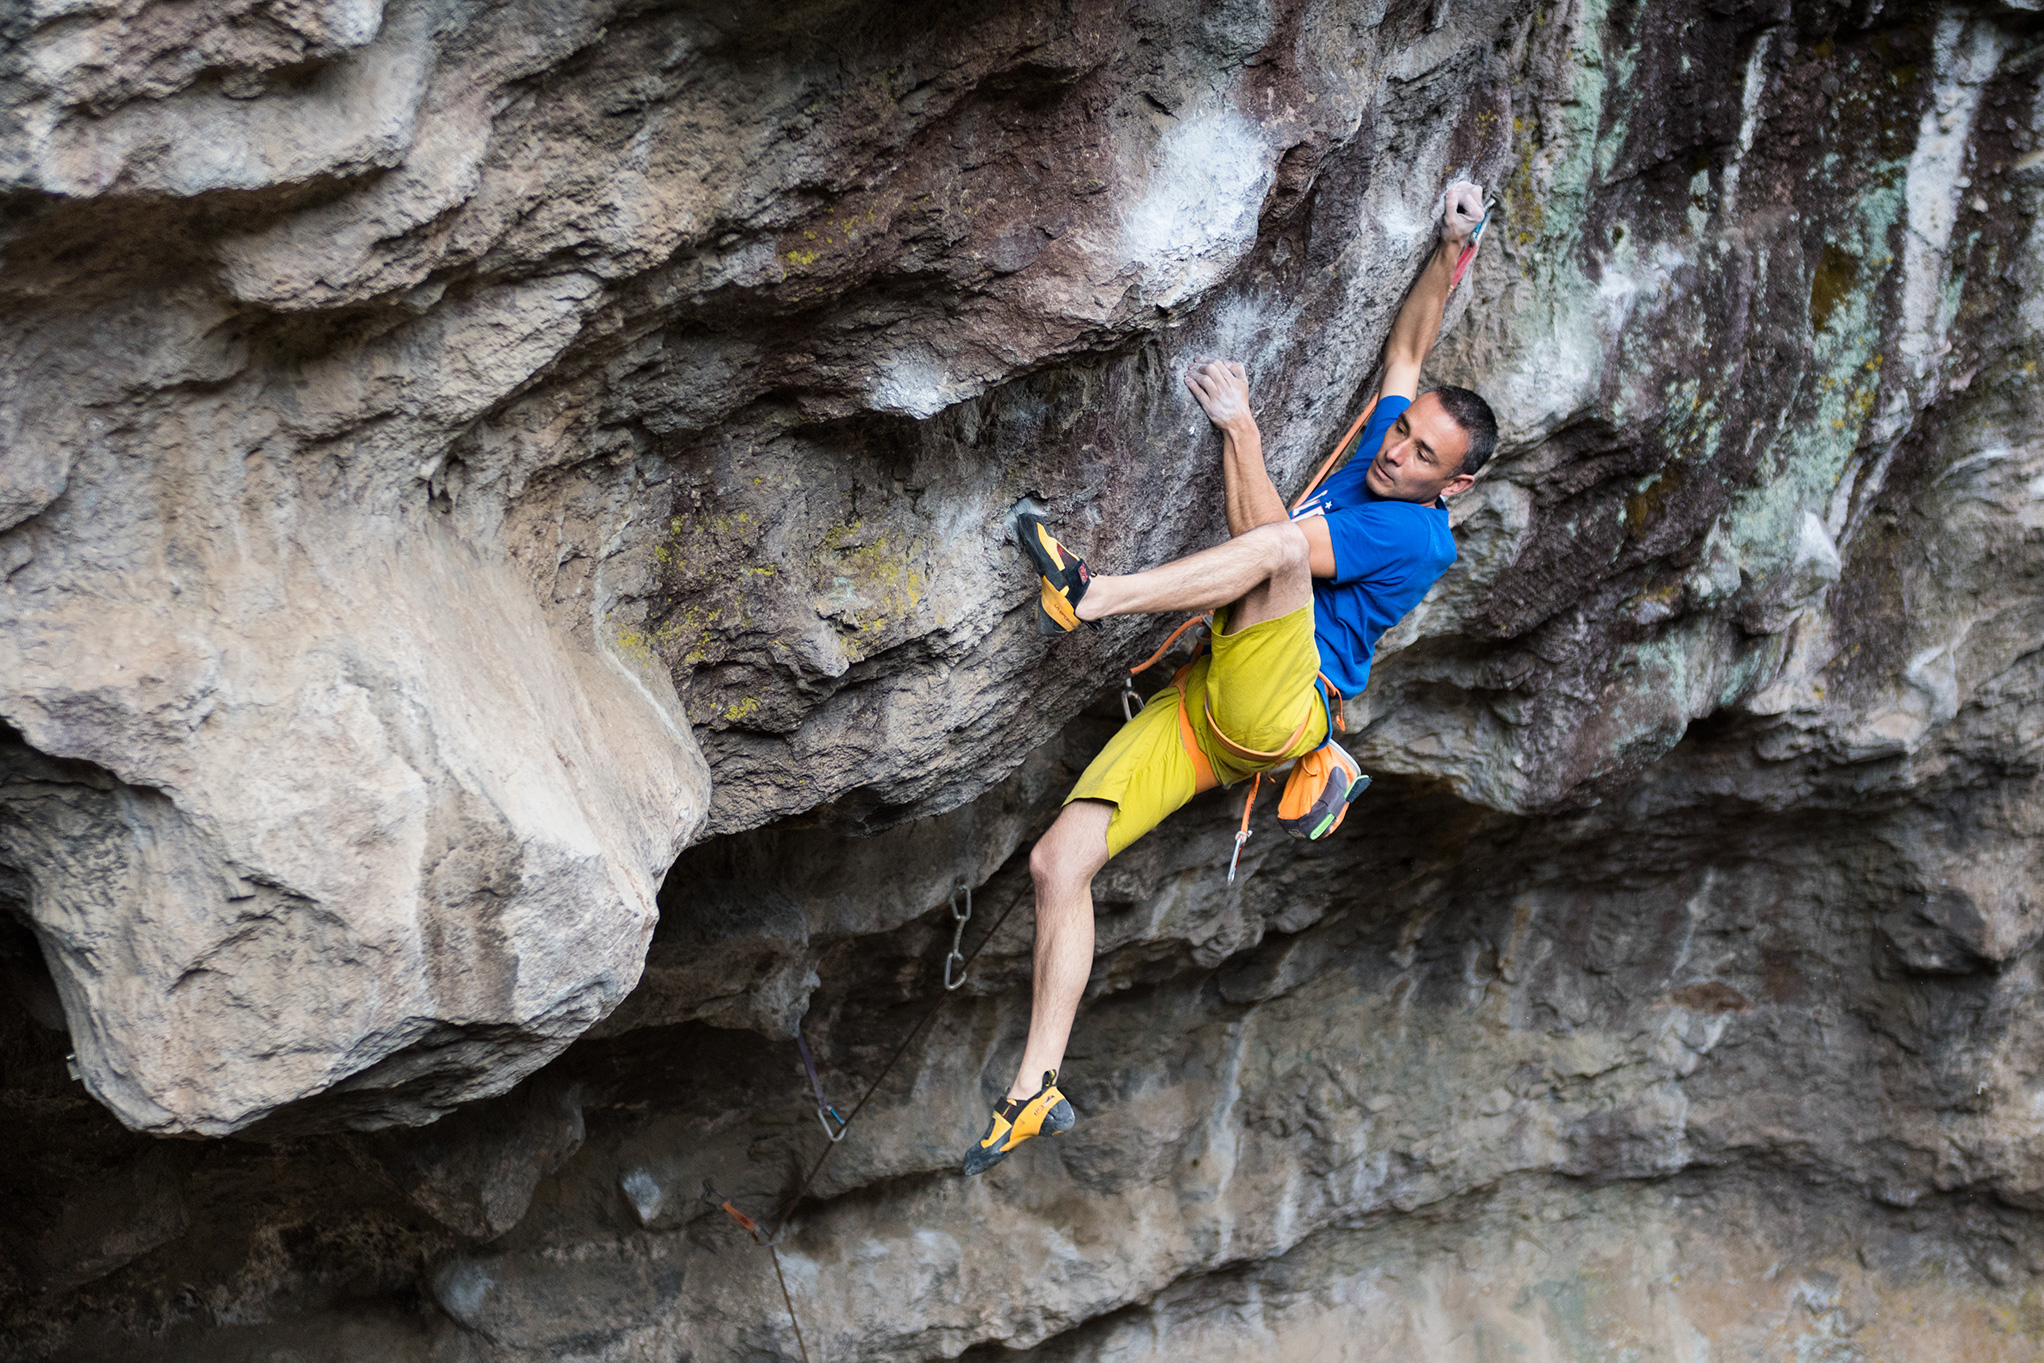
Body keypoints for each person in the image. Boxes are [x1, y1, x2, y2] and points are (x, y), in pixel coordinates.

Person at [962, 181, 1501, 1177]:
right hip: (1208, 715)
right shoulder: (1391, 448)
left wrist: (1241, 426)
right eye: (1400, 432)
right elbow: (1408, 350)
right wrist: (1452, 247)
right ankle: (1034, 1083)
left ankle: (1090, 592)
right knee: (1056, 865)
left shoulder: (1414, 535)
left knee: (1286, 557)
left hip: (1280, 708)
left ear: (1453, 486)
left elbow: (1269, 545)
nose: (1396, 451)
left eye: (1424, 453)